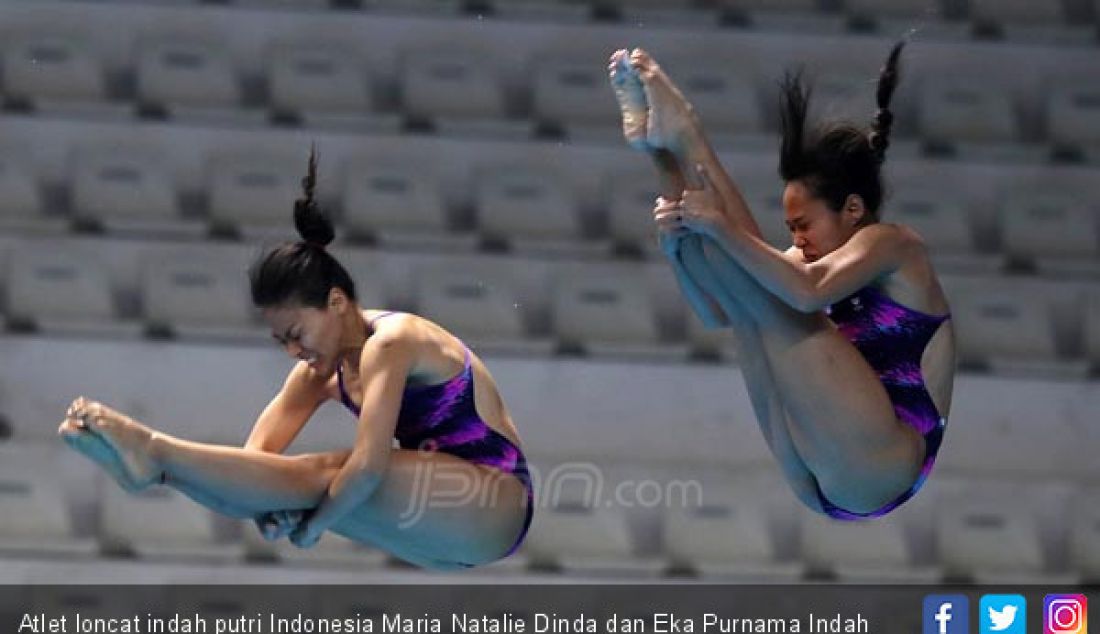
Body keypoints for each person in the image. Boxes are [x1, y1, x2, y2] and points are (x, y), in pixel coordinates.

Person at [59, 150, 533, 568]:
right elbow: (254, 465)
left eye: (296, 334)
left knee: (328, 475)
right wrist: (269, 509)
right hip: (439, 534)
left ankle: (155, 449)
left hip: (493, 502)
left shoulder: (393, 341)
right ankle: (157, 472)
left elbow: (368, 468)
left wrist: (311, 526)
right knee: (286, 486)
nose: (292, 350)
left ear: (336, 302)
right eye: (280, 340)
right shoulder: (315, 375)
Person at [608, 43, 956, 519]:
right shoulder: (804, 263)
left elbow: (807, 289)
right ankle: (661, 153)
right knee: (746, 293)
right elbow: (717, 311)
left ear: (852, 209)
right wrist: (676, 249)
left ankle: (683, 135)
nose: (796, 238)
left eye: (804, 225)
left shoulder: (894, 245)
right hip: (818, 475)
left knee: (774, 293)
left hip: (885, 461)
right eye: (790, 228)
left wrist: (722, 228)